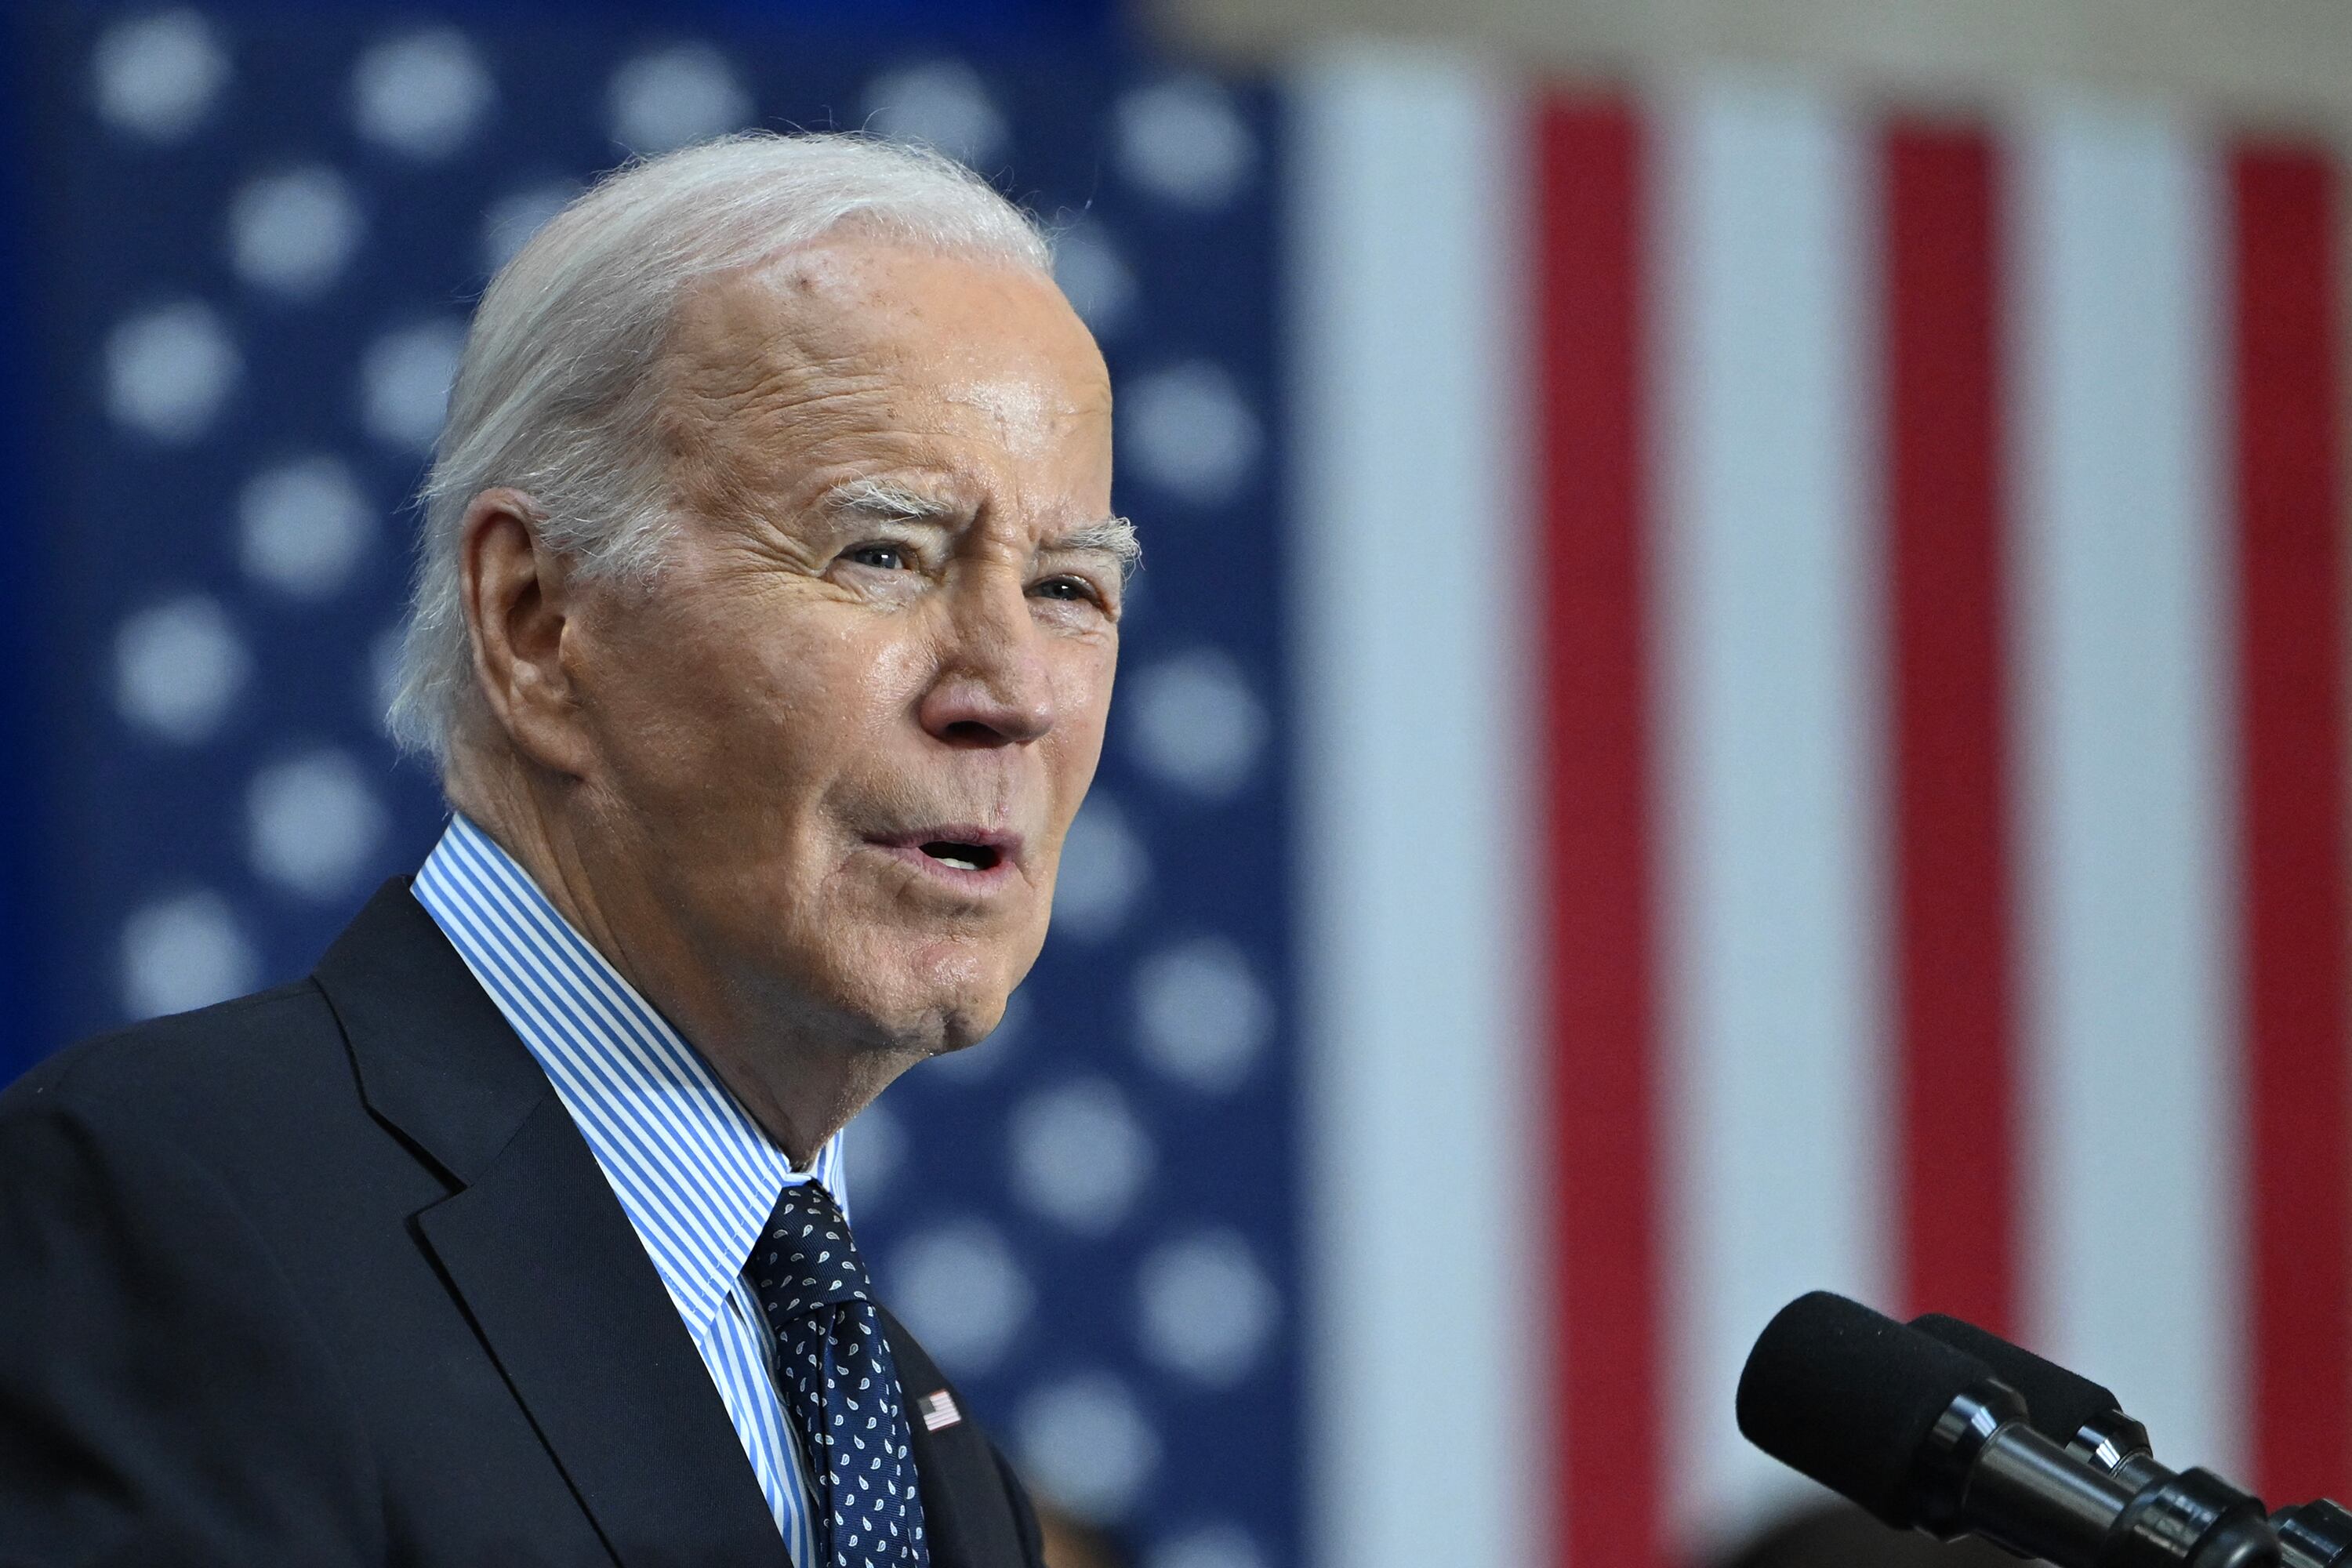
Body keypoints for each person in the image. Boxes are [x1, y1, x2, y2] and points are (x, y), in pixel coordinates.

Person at [0, 131, 1134, 1566]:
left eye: (1069, 587)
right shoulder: (171, 1209)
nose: (1014, 690)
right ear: (537, 621)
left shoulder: (931, 1458)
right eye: (884, 553)